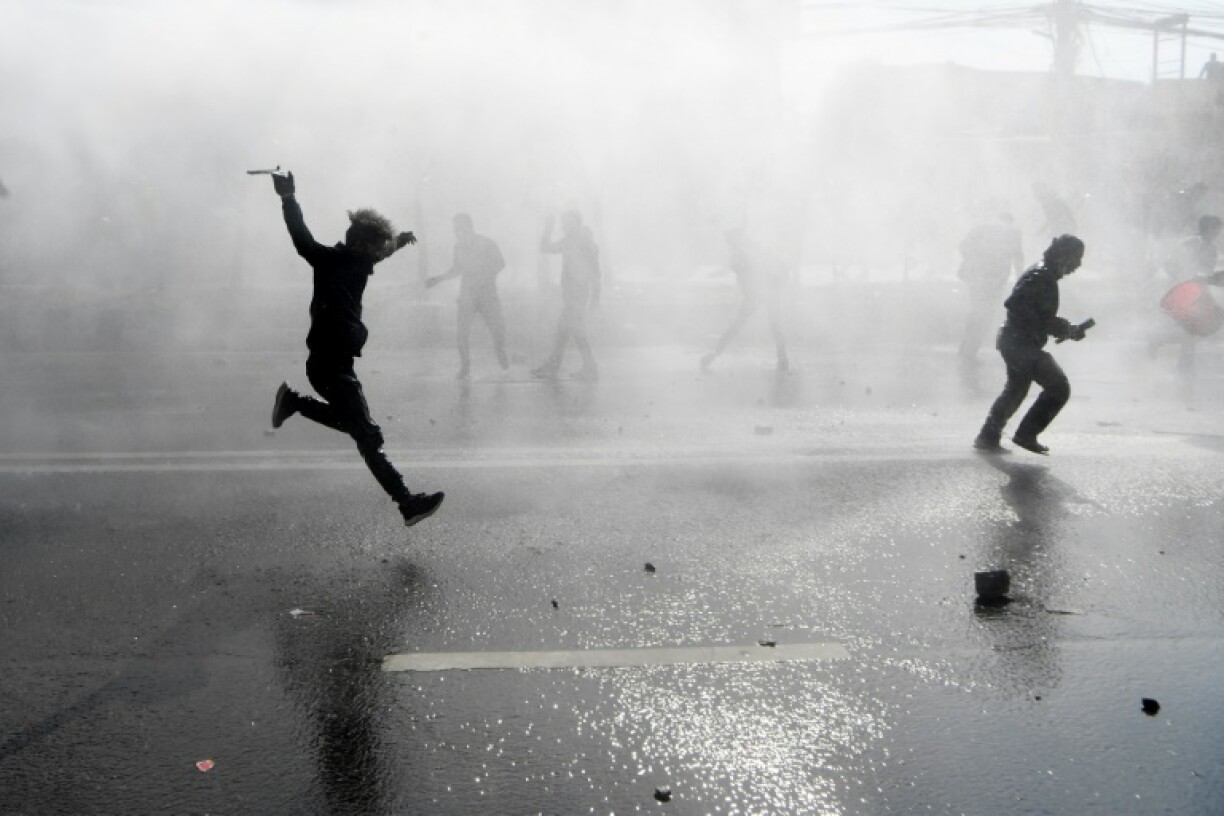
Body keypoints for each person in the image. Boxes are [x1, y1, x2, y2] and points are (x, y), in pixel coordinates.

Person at [265, 171, 444, 527]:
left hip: (335, 363)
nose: (376, 253)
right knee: (367, 436)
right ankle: (407, 503)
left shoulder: (359, 262)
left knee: (357, 428)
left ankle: (295, 403)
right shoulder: (330, 260)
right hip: (328, 364)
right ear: (363, 245)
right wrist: (288, 199)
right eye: (374, 246)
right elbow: (301, 239)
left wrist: (399, 242)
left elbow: (380, 255)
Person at [974, 235, 1091, 455]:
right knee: (1058, 387)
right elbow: (1016, 304)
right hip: (1020, 344)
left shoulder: (1044, 274)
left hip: (1015, 341)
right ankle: (1025, 434)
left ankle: (988, 436)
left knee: (1016, 390)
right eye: (1076, 258)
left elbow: (1037, 313)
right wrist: (1059, 327)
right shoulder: (1040, 275)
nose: (1078, 265)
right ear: (1063, 256)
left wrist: (1064, 328)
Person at [425, 213, 509, 380]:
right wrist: (438, 279)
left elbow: (500, 263)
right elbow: (456, 269)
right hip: (467, 295)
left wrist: (484, 276)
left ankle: (501, 355)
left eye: (459, 227)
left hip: (487, 294)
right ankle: (465, 367)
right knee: (462, 333)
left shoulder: (486, 243)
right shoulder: (458, 246)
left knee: (497, 330)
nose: (456, 231)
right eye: (455, 228)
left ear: (469, 226)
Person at [700, 229, 790, 373]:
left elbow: (746, 274)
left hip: (758, 293)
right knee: (774, 325)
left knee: (739, 324)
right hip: (768, 291)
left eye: (729, 241)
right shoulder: (750, 249)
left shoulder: (742, 253)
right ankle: (783, 358)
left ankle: (715, 353)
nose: (728, 244)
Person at [1149, 214, 1224, 372]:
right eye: (1217, 229)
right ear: (1207, 228)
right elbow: (1171, 264)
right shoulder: (1191, 244)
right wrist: (1182, 279)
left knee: (1195, 327)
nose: (1218, 232)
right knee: (1193, 327)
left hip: (1197, 290)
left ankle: (1182, 362)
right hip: (1184, 290)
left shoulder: (1211, 248)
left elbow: (1206, 272)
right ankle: (1179, 359)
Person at [531, 210, 601, 380]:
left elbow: (595, 272)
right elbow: (545, 248)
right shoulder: (569, 241)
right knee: (569, 331)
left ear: (576, 223)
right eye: (562, 223)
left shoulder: (585, 243)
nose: (563, 226)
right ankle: (579, 366)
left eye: (566, 222)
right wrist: (548, 226)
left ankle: (574, 366)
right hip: (572, 294)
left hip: (578, 295)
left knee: (572, 330)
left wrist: (595, 297)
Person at [957, 213, 1024, 361]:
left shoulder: (980, 228)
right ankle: (969, 349)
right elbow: (1018, 257)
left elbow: (963, 247)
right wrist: (1021, 280)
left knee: (977, 309)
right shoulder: (1013, 232)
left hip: (976, 275)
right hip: (996, 277)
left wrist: (976, 258)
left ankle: (967, 348)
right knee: (986, 311)